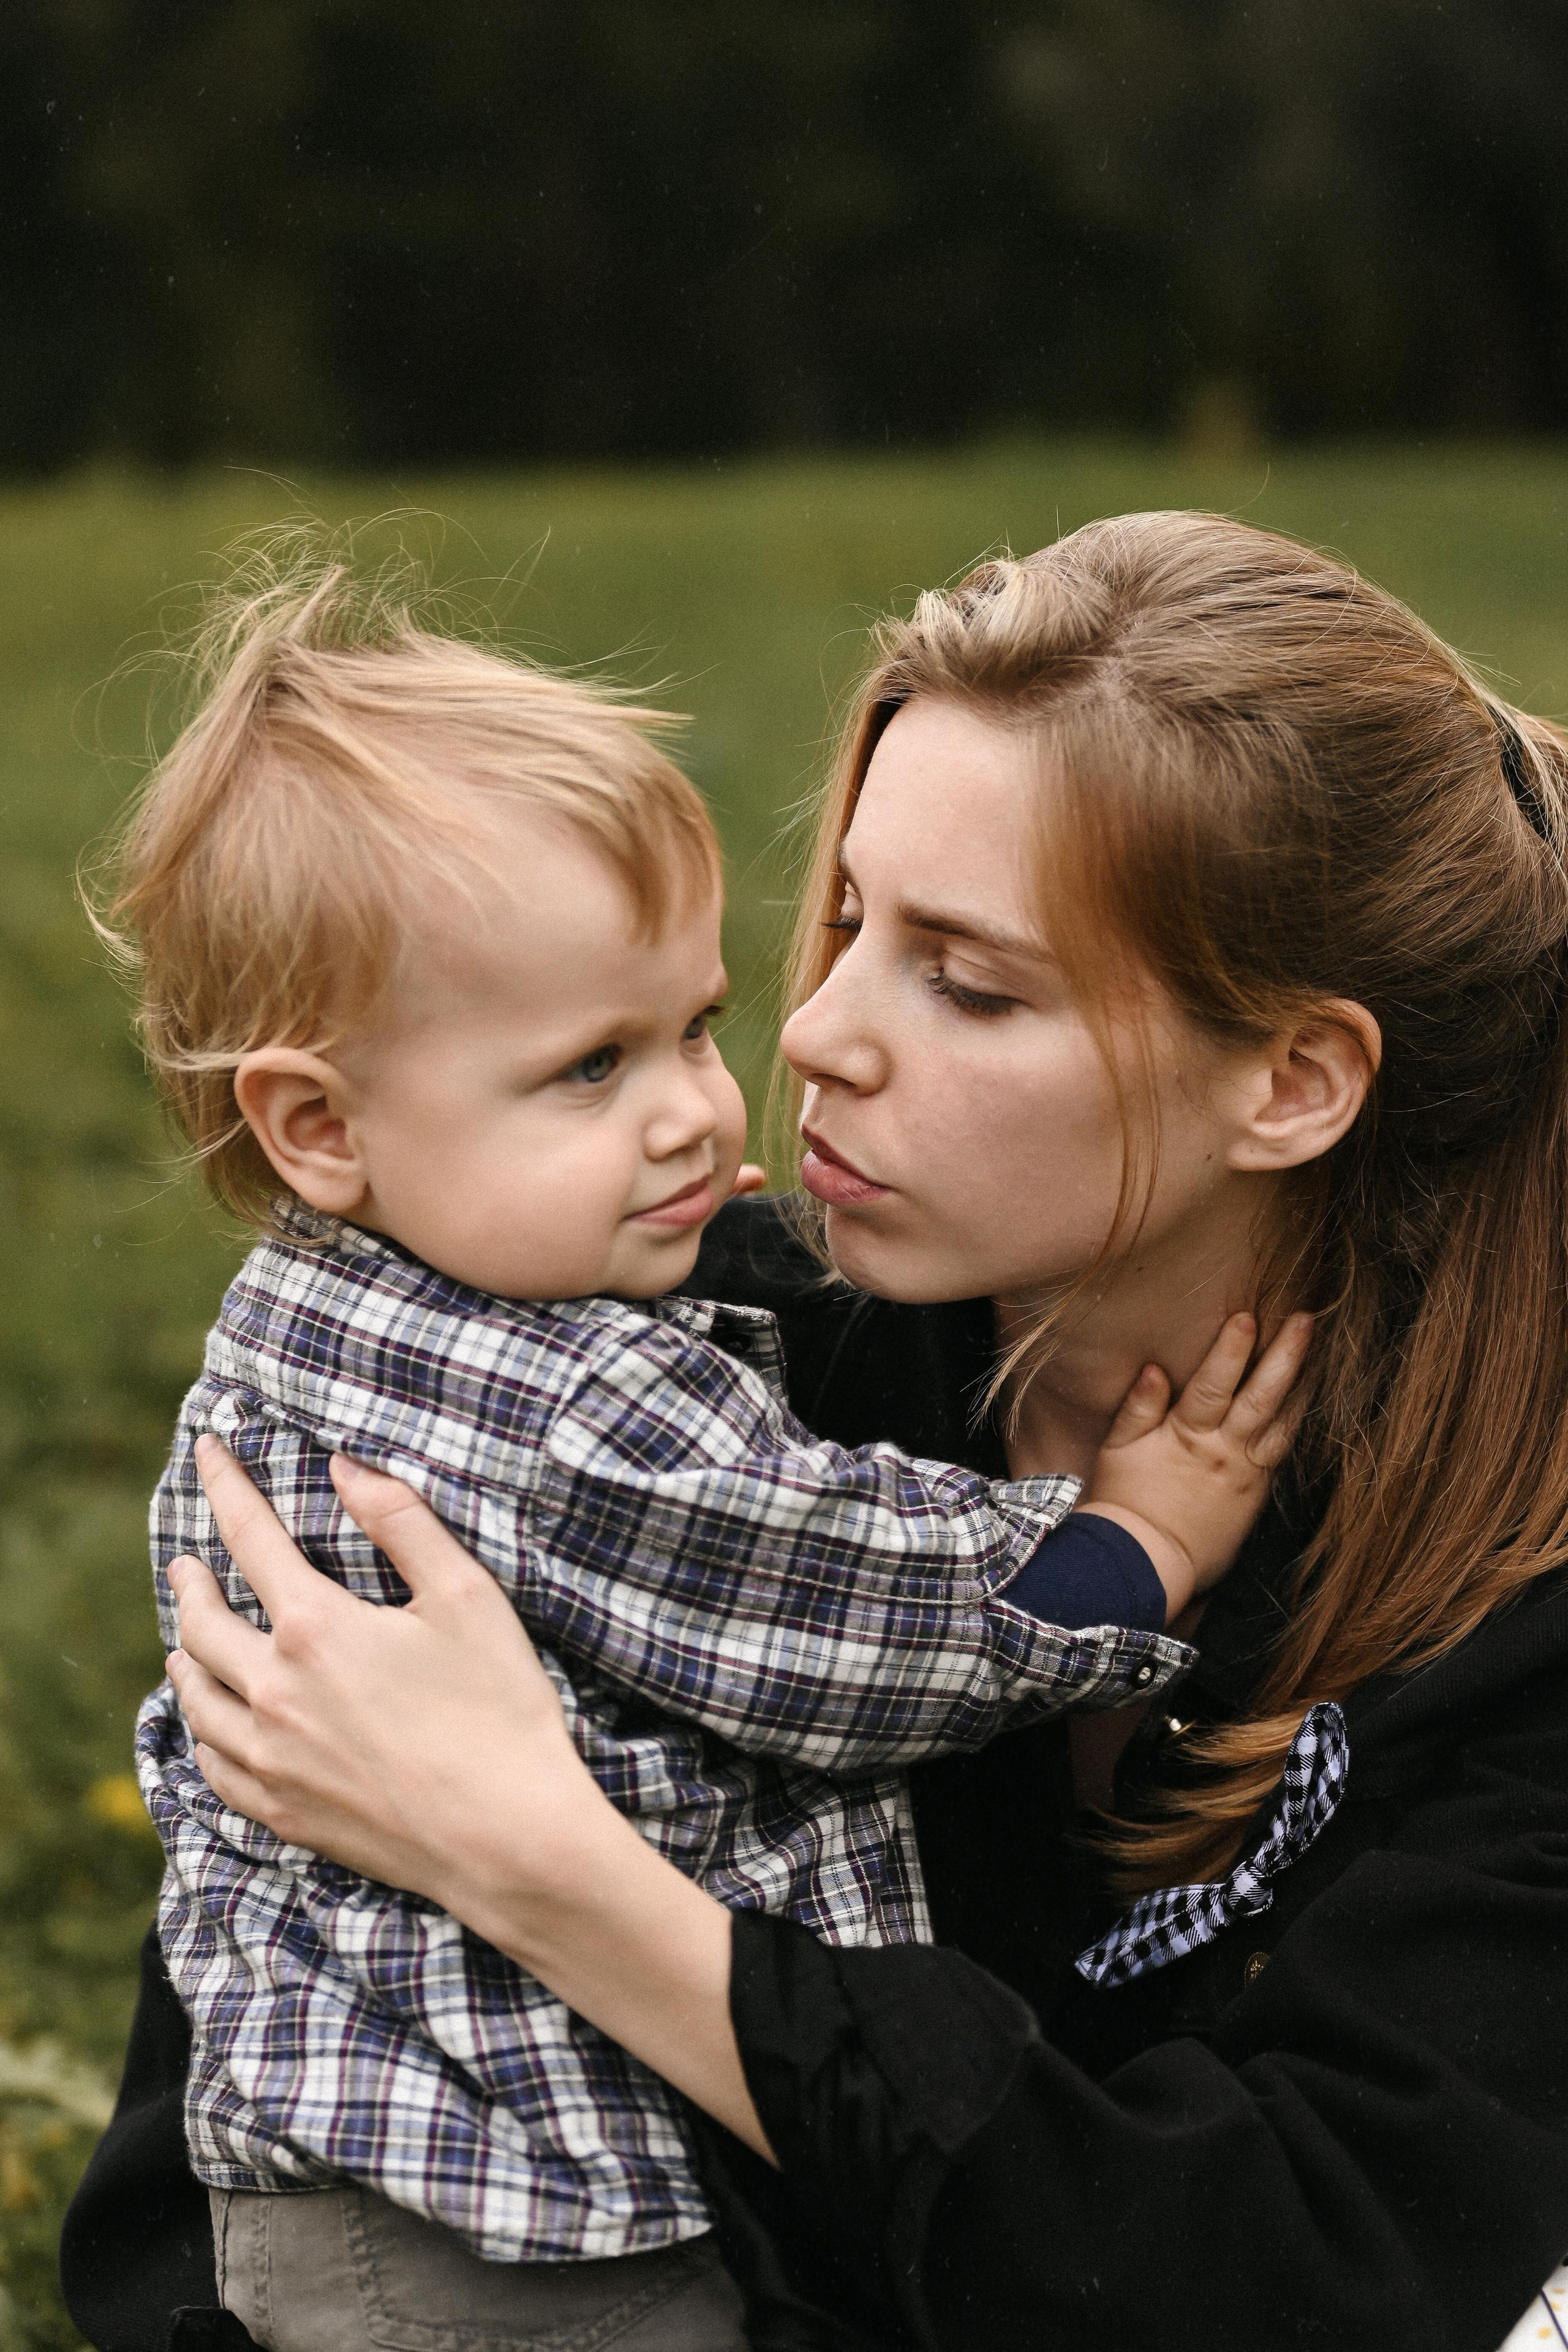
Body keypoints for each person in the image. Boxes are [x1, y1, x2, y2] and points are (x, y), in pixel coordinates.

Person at [63, 508, 1568, 2351]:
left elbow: (1289, 2273)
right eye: (849, 917)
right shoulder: (667, 1359)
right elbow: (190, 2174)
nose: (821, 1032)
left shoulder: (1516, 1598)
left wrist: (551, 1871)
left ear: (1294, 1079)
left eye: (968, 980)